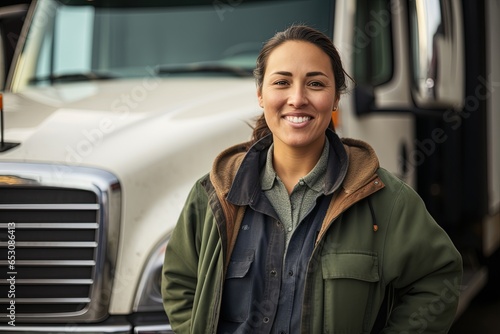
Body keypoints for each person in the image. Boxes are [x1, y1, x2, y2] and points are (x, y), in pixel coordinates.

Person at [162, 25, 463, 334]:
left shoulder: (385, 200)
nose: (297, 98)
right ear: (260, 95)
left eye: (315, 84)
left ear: (335, 99)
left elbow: (438, 278)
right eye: (281, 82)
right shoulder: (214, 194)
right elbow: (179, 281)